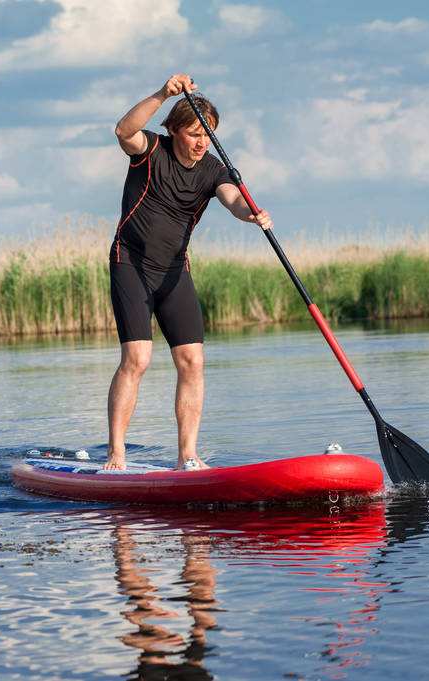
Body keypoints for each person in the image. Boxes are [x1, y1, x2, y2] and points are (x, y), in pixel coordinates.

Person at [106, 73, 273, 471]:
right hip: (130, 262)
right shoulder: (150, 149)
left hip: (173, 270)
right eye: (195, 132)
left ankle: (188, 457)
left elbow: (233, 199)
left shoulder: (213, 169)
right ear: (175, 129)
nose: (201, 142)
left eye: (208, 135)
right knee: (138, 357)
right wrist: (163, 93)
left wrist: (251, 214)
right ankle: (116, 453)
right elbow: (122, 129)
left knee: (193, 361)